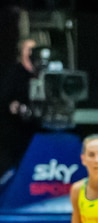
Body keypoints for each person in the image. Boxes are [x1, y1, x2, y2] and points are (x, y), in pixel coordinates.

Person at [0, 37, 38, 184]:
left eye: (34, 50)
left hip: (35, 129)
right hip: (16, 131)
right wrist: (13, 105)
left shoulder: (42, 73)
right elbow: (5, 98)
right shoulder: (14, 73)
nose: (31, 53)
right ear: (21, 52)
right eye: (28, 49)